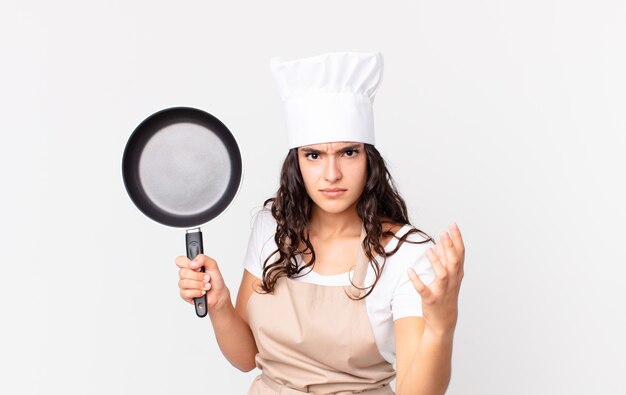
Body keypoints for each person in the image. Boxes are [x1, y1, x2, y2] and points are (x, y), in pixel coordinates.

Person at [175, 52, 465, 395]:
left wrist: (440, 327)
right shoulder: (272, 228)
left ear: (369, 158)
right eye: (314, 155)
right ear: (296, 162)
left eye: (348, 153)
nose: (332, 175)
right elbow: (247, 357)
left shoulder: (407, 254)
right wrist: (220, 304)